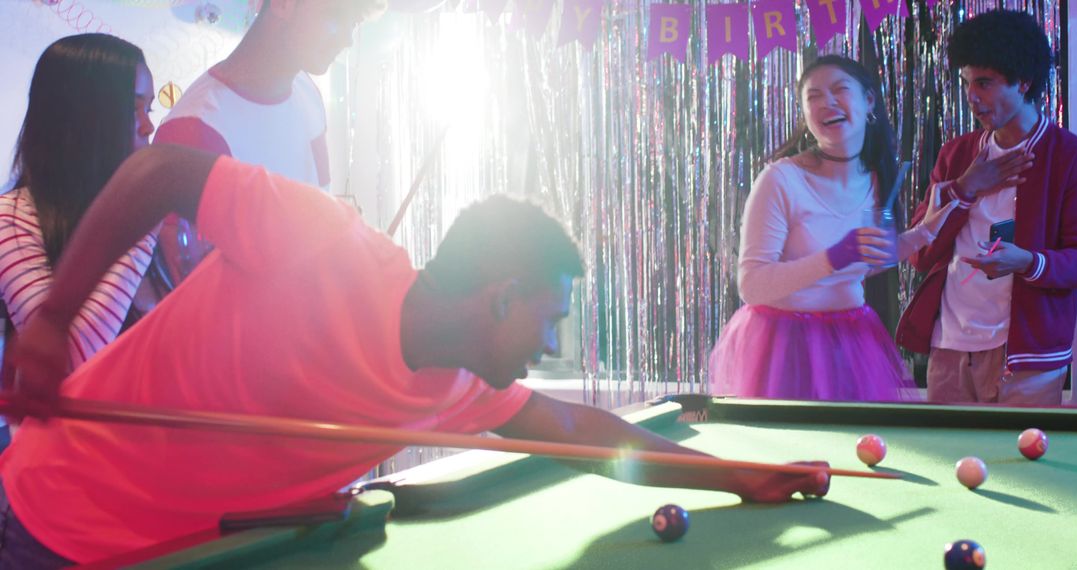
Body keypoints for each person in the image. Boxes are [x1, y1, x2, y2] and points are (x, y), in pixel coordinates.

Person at [0, 145, 830, 567]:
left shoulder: (466, 388)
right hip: (48, 522)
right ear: (500, 296)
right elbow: (161, 168)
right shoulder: (321, 238)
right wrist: (51, 322)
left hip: (189, 553)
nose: (548, 348)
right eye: (549, 321)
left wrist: (736, 477)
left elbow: (587, 434)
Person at [708, 55, 957, 401]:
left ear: (869, 100)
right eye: (813, 97)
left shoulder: (874, 178)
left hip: (851, 340)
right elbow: (752, 285)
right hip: (784, 345)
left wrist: (923, 235)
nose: (827, 103)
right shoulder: (779, 180)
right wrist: (835, 256)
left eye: (840, 90)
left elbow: (865, 263)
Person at [896, 9, 1077, 405]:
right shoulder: (957, 153)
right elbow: (921, 253)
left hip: (1027, 356)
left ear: (1024, 82)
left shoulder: (1068, 156)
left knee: (1018, 466)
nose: (971, 97)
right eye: (966, 82)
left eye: (984, 82)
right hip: (949, 344)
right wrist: (964, 190)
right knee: (947, 462)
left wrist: (1026, 262)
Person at [153, 0, 384, 283]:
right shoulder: (195, 130)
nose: (348, 38)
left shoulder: (306, 92)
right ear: (283, 4)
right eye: (336, 14)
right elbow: (192, 287)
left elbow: (318, 206)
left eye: (355, 22)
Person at [0, 34, 158, 387]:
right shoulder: (12, 217)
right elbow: (72, 358)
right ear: (85, 119)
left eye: (149, 109)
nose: (148, 126)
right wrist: (145, 218)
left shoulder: (137, 216)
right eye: (133, 110)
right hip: (69, 440)